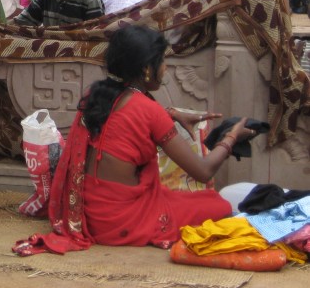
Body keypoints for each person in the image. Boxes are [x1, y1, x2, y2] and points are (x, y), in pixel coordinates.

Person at [46, 25, 255, 248]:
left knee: (199, 199)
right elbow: (203, 172)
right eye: (162, 61)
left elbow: (124, 121)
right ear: (147, 69)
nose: (165, 68)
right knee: (219, 205)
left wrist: (171, 115)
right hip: (123, 222)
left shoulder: (95, 95)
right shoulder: (148, 110)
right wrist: (231, 137)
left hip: (89, 212)